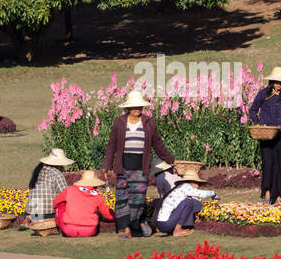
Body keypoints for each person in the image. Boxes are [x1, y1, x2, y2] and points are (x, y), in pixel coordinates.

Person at [102, 89, 175, 239]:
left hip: (141, 166)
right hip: (123, 165)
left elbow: (158, 144)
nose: (138, 109)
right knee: (122, 197)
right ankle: (127, 230)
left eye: (140, 106)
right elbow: (112, 145)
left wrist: (170, 159)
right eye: (135, 107)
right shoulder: (119, 122)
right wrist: (106, 164)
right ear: (128, 108)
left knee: (138, 198)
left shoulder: (149, 123)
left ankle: (140, 222)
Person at [246, 66, 281, 204]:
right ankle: (267, 193)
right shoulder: (263, 93)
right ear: (271, 81)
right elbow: (253, 110)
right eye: (276, 82)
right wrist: (258, 124)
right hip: (266, 136)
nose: (278, 85)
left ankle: (279, 195)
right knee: (268, 164)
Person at [154, 167, 216, 236]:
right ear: (192, 182)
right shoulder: (185, 187)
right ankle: (177, 230)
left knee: (190, 202)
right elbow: (201, 194)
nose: (198, 186)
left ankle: (182, 226)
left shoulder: (180, 188)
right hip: (166, 224)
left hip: (161, 224)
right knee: (188, 202)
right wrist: (213, 194)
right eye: (197, 183)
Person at [21, 148, 73, 230]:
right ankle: (44, 220)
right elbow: (65, 193)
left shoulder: (38, 170)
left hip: (32, 209)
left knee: (36, 207)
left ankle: (30, 218)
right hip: (48, 211)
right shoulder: (56, 173)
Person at [53, 169, 115, 237]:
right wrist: (116, 217)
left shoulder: (70, 189)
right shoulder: (97, 195)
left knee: (61, 204)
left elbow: (56, 201)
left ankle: (60, 229)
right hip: (90, 230)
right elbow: (108, 215)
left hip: (69, 229)